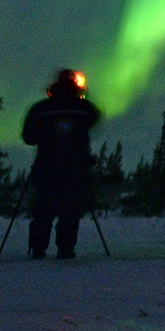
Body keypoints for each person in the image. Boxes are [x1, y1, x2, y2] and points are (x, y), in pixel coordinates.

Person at [22, 69, 102, 259]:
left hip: (47, 167)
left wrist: (47, 136)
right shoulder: (83, 109)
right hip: (75, 168)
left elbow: (28, 137)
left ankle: (38, 248)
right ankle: (65, 248)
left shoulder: (40, 109)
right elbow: (94, 119)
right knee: (70, 210)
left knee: (43, 209)